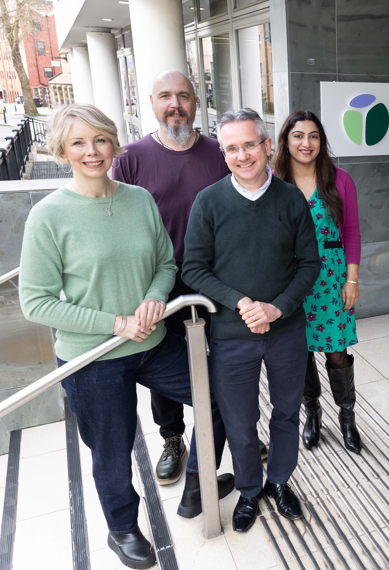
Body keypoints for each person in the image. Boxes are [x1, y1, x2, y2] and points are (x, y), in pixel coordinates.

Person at [19, 104, 231, 570]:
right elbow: (35, 302)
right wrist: (115, 323)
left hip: (153, 344)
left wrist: (155, 299)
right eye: (78, 142)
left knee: (221, 396)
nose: (91, 151)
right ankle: (123, 529)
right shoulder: (48, 217)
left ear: (114, 143)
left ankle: (199, 480)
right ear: (62, 150)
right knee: (113, 454)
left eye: (99, 140)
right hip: (92, 358)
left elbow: (164, 264)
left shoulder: (138, 199)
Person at [182, 108, 321, 533]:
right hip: (230, 335)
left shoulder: (290, 198)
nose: (242, 155)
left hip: (286, 332)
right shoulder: (209, 201)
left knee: (285, 412)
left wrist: (277, 307)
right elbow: (194, 268)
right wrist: (242, 302)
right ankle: (248, 489)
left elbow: (310, 264)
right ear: (223, 153)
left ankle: (279, 481)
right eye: (231, 148)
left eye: (249, 145)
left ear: (267, 147)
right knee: (240, 420)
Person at [112, 70, 248, 490]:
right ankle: (173, 440)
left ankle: (239, 433)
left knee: (229, 363)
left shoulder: (217, 152)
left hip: (218, 283)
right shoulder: (131, 158)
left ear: (196, 102)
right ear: (150, 102)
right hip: (160, 287)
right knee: (164, 369)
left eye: (184, 96)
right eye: (166, 96)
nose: (176, 104)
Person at [272, 111, 363, 454]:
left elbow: (352, 231)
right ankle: (313, 413)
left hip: (331, 277)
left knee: (337, 351)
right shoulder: (274, 181)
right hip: (290, 278)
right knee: (300, 351)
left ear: (321, 141)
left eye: (313, 136)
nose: (305, 143)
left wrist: (352, 279)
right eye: (298, 135)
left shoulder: (340, 179)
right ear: (286, 141)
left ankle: (347, 417)